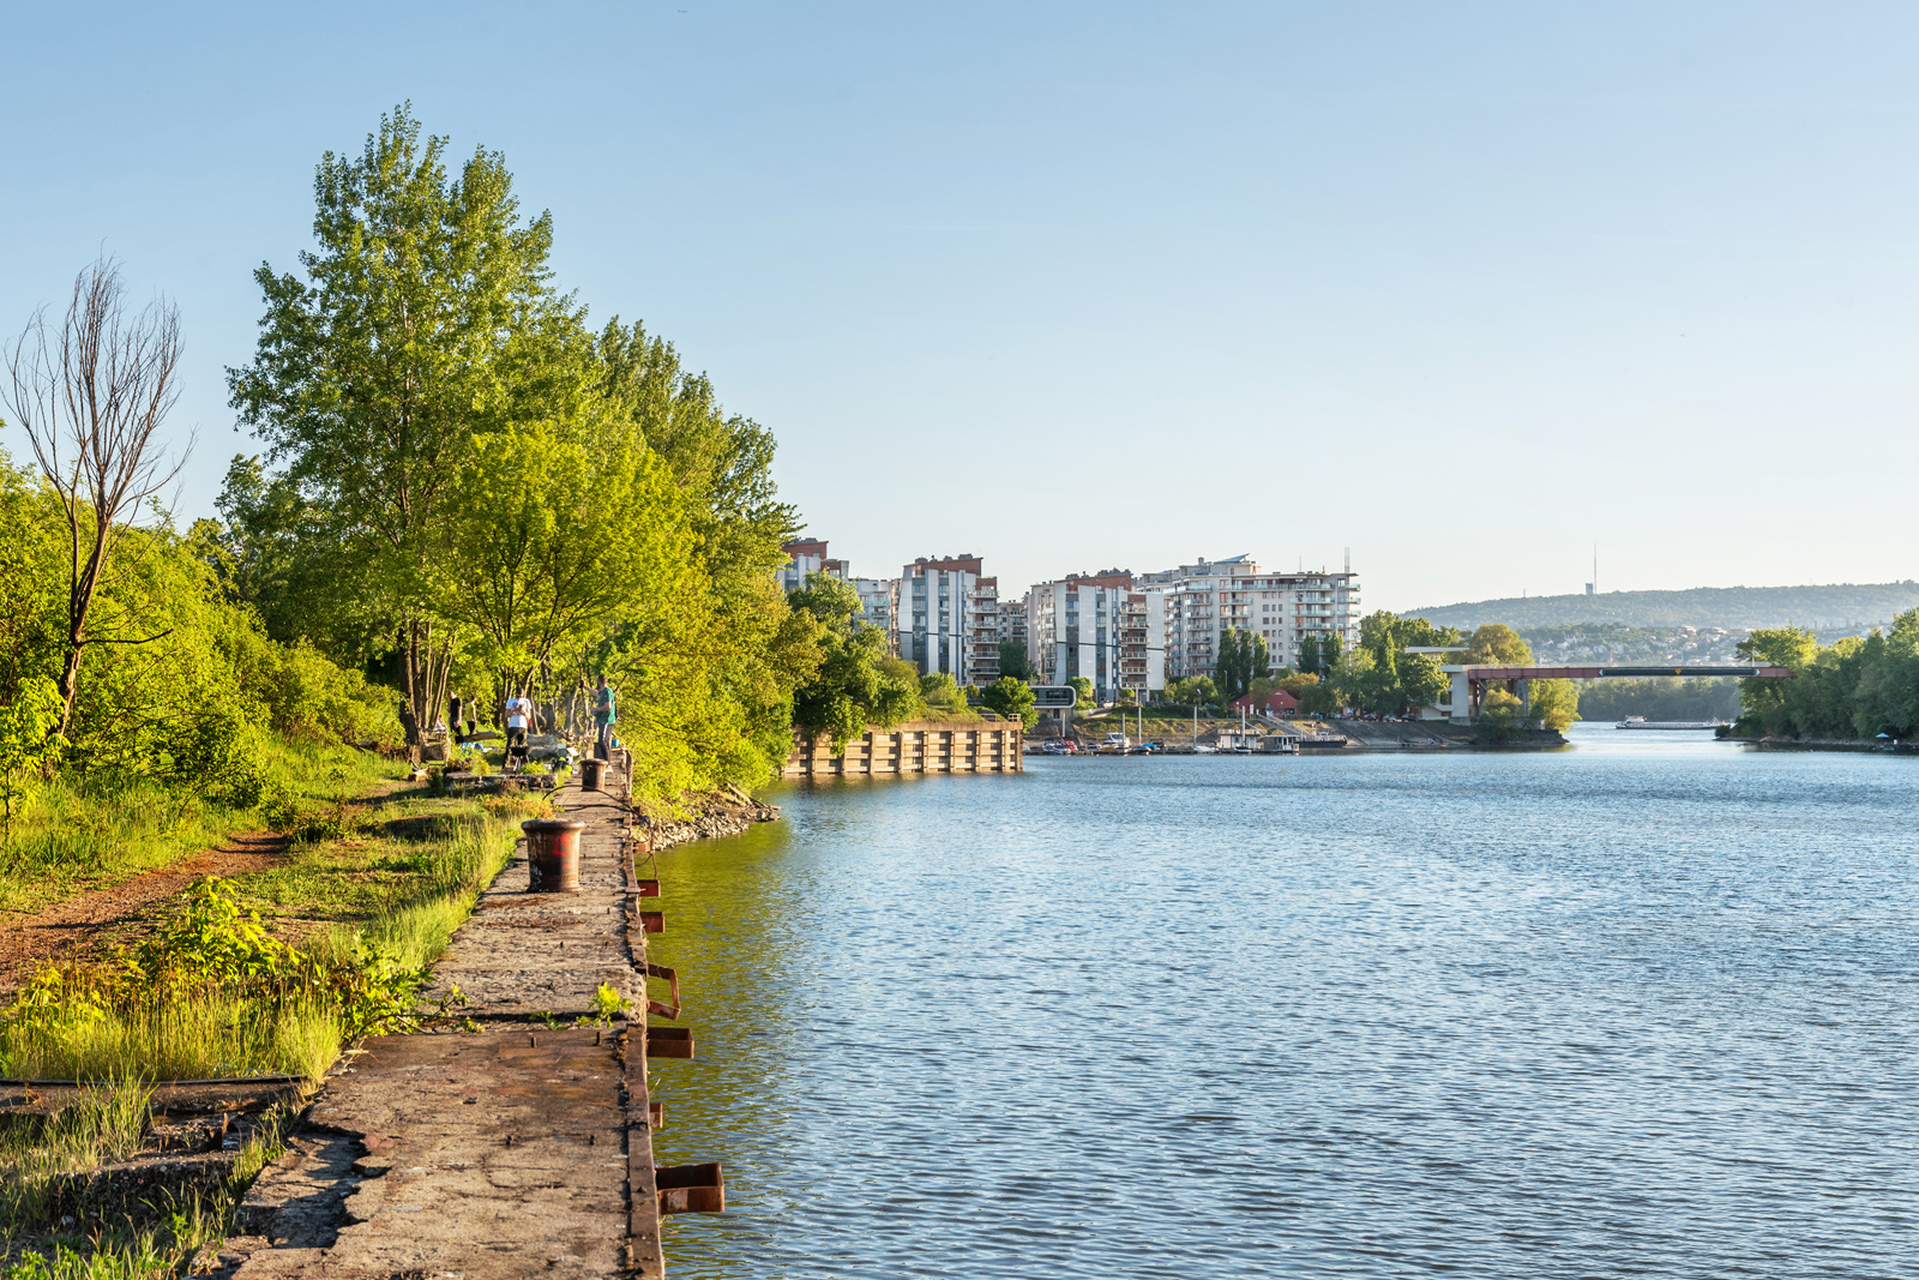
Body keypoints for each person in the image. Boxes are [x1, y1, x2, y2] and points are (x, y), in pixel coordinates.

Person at [505, 688, 534, 759]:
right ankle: (505, 764)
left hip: (523, 726)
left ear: (523, 694)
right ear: (516, 694)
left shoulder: (526, 701)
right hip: (513, 725)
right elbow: (506, 715)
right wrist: (513, 711)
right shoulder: (510, 701)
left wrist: (523, 712)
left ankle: (521, 764)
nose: (519, 698)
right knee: (510, 746)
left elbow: (529, 716)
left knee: (522, 747)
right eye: (518, 696)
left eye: (521, 696)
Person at [593, 675, 617, 755]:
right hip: (602, 720)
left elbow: (608, 706)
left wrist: (596, 709)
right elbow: (596, 693)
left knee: (603, 741)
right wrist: (585, 687)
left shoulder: (607, 691)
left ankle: (607, 763)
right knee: (601, 742)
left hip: (607, 720)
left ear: (599, 682)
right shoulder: (603, 692)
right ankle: (605, 762)